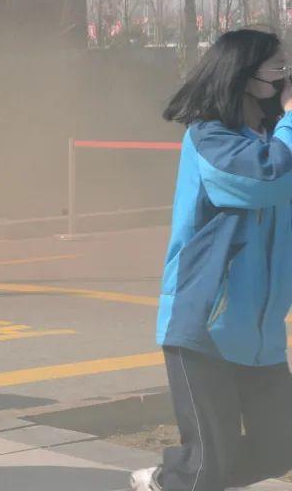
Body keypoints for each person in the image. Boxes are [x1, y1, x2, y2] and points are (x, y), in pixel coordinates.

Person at [130, 28, 292, 491]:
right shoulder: (210, 136)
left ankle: (179, 478)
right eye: (276, 67)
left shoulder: (270, 136)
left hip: (260, 331)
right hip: (206, 323)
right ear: (242, 72)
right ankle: (174, 480)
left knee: (280, 447)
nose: (284, 77)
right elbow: (269, 176)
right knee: (205, 468)